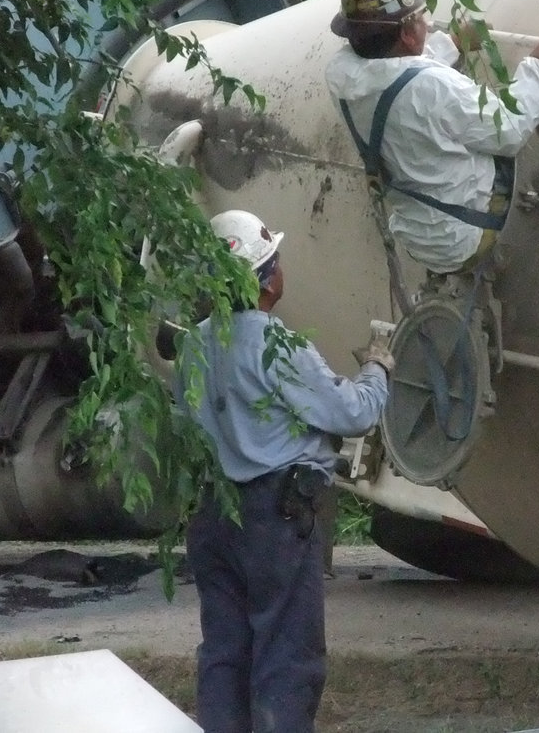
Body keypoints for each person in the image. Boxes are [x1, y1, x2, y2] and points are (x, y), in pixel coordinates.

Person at [177, 208, 394, 733]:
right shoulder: (278, 345)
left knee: (225, 654)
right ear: (269, 277)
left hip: (213, 514)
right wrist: (378, 367)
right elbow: (353, 412)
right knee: (286, 656)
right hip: (276, 517)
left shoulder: (193, 343)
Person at [325, 0, 539, 276]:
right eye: (420, 17)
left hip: (414, 234)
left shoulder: (340, 74)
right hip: (464, 234)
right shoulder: (435, 86)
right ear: (405, 34)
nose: (428, 25)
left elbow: (393, 74)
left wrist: (452, 44)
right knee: (501, 145)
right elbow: (509, 129)